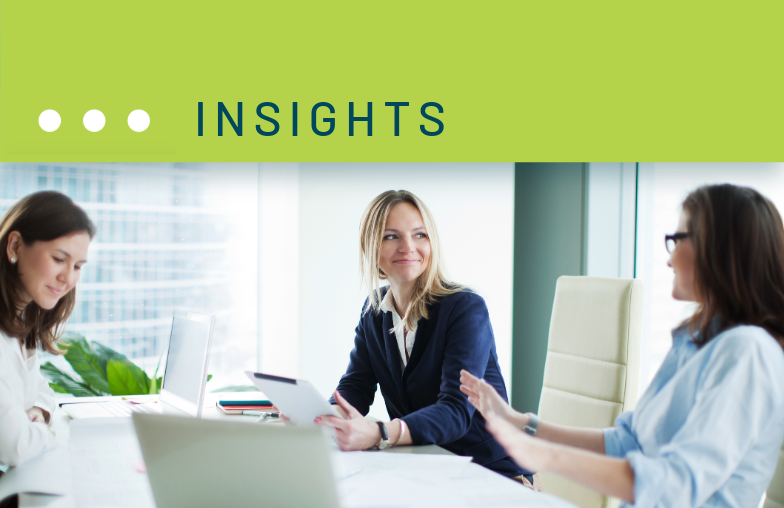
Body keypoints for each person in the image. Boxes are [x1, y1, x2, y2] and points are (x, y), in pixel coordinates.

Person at [460, 183, 784, 507]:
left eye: (677, 240)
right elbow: (628, 442)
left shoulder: (748, 353)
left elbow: (676, 483)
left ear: (718, 250)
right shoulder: (695, 339)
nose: (669, 257)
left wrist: (545, 456)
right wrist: (521, 423)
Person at [315, 190, 539, 487]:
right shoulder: (375, 312)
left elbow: (456, 411)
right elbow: (355, 388)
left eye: (420, 235)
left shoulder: (465, 309)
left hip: (493, 477)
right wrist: (322, 417)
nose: (408, 247)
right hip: (429, 475)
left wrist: (381, 433)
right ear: (371, 247)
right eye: (391, 236)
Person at [0, 191, 96, 466]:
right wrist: (46, 433)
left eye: (78, 266)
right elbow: (14, 446)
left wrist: (37, 413)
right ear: (16, 246)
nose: (68, 278)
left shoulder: (19, 322)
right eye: (58, 259)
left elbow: (41, 390)